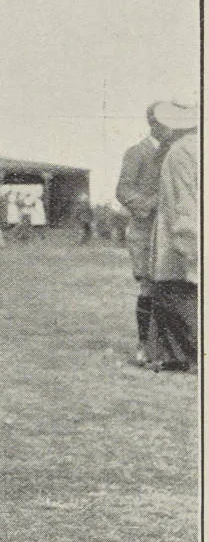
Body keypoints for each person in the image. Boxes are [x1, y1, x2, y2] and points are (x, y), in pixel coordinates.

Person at [115, 103, 167, 365]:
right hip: (145, 231)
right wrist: (151, 204)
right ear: (154, 124)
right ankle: (144, 343)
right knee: (149, 287)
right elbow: (123, 190)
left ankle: (168, 346)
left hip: (168, 230)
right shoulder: (137, 152)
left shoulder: (175, 153)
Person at [149, 100, 198, 372]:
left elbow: (186, 202)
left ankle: (188, 357)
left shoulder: (180, 152)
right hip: (188, 231)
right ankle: (177, 355)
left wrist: (187, 240)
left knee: (176, 295)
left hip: (182, 236)